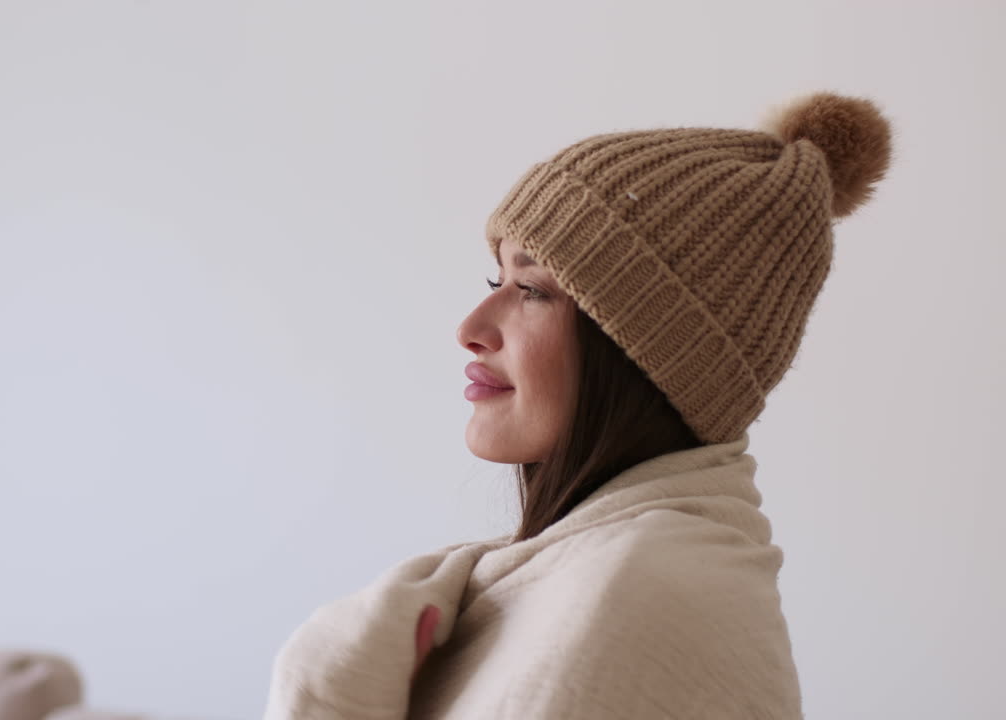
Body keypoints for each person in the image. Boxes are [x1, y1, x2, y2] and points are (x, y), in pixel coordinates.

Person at [262, 91, 894, 719]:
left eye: (532, 289)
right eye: (495, 280)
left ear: (646, 354)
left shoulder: (640, 603)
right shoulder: (584, 577)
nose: (472, 327)